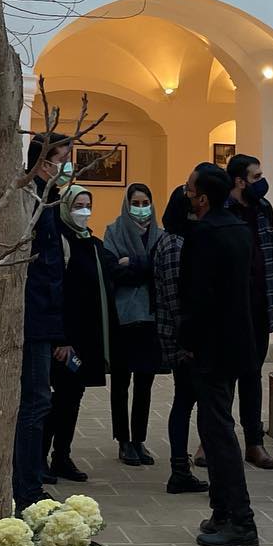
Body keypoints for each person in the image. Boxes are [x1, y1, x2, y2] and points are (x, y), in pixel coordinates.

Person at [180, 162, 258, 546]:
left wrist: (188, 340)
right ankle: (222, 512)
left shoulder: (205, 233)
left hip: (210, 345)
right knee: (214, 428)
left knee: (219, 432)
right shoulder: (240, 229)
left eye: (191, 189)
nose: (187, 194)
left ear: (204, 197)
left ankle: (241, 521)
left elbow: (196, 295)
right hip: (235, 342)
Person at [14, 129, 72, 511]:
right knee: (35, 402)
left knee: (38, 402)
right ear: (45, 159)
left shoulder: (48, 198)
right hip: (33, 317)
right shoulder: (29, 196)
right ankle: (27, 487)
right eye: (63, 158)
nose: (67, 167)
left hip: (45, 316)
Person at [42, 184, 112, 485]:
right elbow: (57, 292)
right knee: (56, 399)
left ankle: (62, 456)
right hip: (65, 338)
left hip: (87, 337)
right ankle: (39, 457)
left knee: (72, 398)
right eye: (77, 205)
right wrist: (60, 338)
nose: (83, 211)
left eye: (87, 204)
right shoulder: (59, 242)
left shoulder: (91, 243)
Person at [217, 152, 273, 470]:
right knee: (223, 378)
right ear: (239, 181)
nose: (261, 182)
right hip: (230, 309)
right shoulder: (220, 210)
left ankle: (254, 442)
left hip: (258, 307)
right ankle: (211, 441)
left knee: (253, 376)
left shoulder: (264, 209)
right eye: (255, 177)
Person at [103, 182, 164, 465]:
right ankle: (123, 440)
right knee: (121, 382)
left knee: (145, 383)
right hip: (123, 318)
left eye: (145, 201)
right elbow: (113, 272)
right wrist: (143, 266)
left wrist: (133, 263)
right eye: (136, 202)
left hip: (151, 318)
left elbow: (159, 271)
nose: (141, 207)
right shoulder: (113, 232)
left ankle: (139, 439)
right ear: (127, 204)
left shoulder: (160, 235)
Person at [154, 185, 208, 495]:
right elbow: (177, 297)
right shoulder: (175, 243)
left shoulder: (182, 240)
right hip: (181, 340)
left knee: (186, 402)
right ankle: (179, 468)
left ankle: (181, 467)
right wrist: (187, 341)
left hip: (182, 337)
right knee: (185, 402)